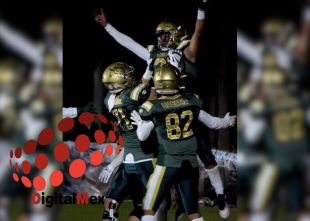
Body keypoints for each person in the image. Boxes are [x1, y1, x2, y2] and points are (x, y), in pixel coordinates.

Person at [130, 64, 236, 221]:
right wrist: (227, 121)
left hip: (168, 162)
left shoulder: (154, 106)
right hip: (190, 164)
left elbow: (142, 136)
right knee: (193, 212)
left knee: (148, 208)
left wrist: (140, 125)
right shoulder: (190, 101)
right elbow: (213, 123)